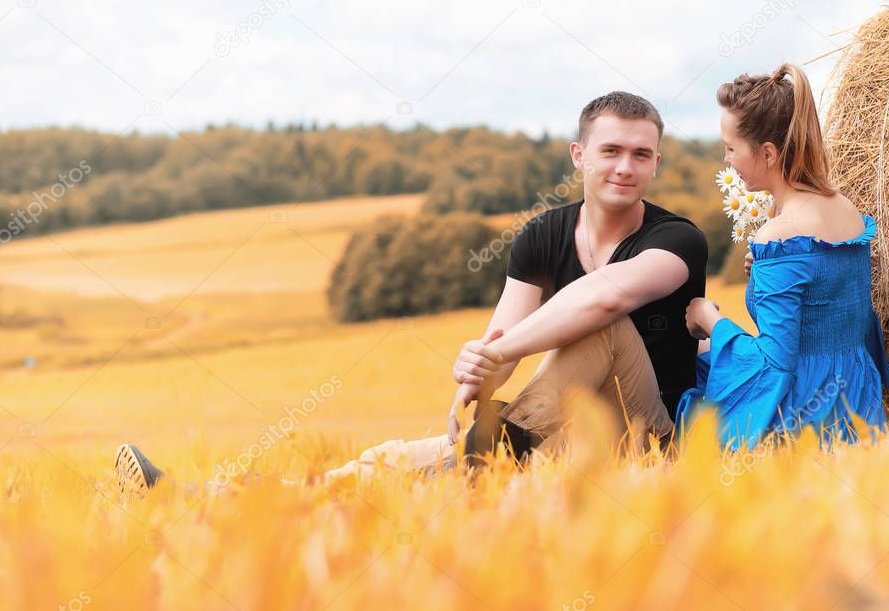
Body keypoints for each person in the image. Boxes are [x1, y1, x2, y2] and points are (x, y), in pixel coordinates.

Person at [115, 91, 709, 493]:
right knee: (396, 459)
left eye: (641, 154)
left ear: (656, 163)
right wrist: (472, 390)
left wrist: (498, 355)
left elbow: (602, 300)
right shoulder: (543, 233)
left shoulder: (678, 240)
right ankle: (203, 497)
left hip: (644, 441)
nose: (625, 167)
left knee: (599, 324)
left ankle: (490, 452)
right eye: (611, 151)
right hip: (555, 435)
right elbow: (500, 340)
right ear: (580, 155)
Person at [680, 63, 889, 451]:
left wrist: (709, 319)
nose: (726, 160)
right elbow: (832, 302)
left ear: (767, 153)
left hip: (808, 411)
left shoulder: (781, 232)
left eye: (730, 148)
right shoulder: (843, 206)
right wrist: (763, 276)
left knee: (690, 378)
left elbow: (775, 364)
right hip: (857, 397)